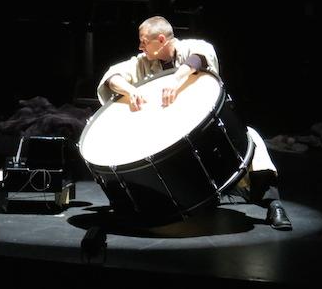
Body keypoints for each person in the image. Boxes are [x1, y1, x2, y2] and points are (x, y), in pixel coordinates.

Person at [96, 15, 292, 230]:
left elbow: (202, 56)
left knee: (251, 140)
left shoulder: (192, 47)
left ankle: (274, 205)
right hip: (169, 136)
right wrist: (131, 90)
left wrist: (176, 80)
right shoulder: (143, 63)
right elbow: (112, 76)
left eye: (144, 41)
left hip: (204, 130)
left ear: (161, 39)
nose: (140, 46)